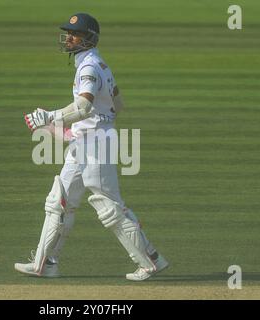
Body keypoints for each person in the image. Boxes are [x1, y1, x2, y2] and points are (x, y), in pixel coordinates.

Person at [15, 13, 168, 281]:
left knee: (109, 207)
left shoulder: (89, 68)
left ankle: (151, 261)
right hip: (88, 142)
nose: (69, 38)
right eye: (69, 33)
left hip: (96, 146)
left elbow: (85, 107)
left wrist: (50, 117)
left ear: (90, 39)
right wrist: (74, 129)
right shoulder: (99, 65)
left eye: (76, 34)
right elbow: (116, 104)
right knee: (59, 202)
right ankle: (45, 263)